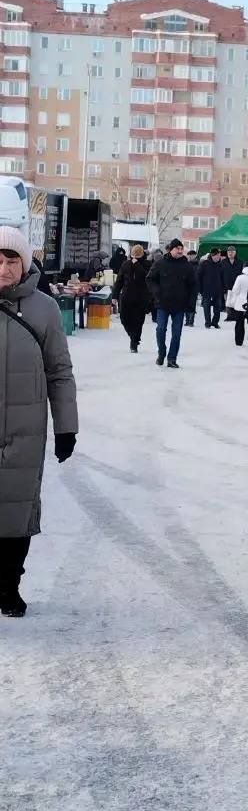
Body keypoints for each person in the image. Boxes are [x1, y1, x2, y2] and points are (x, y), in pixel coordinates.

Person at [0, 227, 78, 617]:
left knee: (17, 512)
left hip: (25, 430)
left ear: (24, 264)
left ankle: (9, 585)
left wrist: (67, 426)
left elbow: (59, 371)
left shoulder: (44, 308)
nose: (3, 267)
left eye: (11, 259)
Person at [146, 239, 197, 368]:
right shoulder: (160, 263)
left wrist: (191, 304)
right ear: (171, 249)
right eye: (177, 249)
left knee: (177, 332)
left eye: (181, 248)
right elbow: (150, 279)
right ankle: (161, 352)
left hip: (180, 305)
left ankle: (172, 358)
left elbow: (193, 286)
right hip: (163, 303)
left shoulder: (187, 266)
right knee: (160, 329)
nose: (180, 251)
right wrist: (157, 292)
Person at [113, 245, 151, 353]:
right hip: (126, 297)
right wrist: (114, 296)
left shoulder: (147, 264)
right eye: (133, 255)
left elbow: (146, 277)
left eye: (137, 255)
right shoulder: (125, 264)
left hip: (141, 298)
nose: (135, 257)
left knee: (138, 321)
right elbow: (119, 281)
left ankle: (134, 343)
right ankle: (133, 336)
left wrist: (137, 265)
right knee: (124, 318)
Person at [228, 262, 248, 347]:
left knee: (239, 323)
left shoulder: (240, 277)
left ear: (244, 268)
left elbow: (235, 290)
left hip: (240, 304)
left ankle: (239, 341)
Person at [198, 248, 226, 329]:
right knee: (206, 307)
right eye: (217, 255)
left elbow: (223, 277)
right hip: (206, 290)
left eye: (219, 255)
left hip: (218, 290)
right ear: (212, 255)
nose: (218, 257)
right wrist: (200, 289)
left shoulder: (220, 265)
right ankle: (208, 322)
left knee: (218, 307)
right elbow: (198, 276)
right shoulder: (205, 264)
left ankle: (215, 322)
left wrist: (224, 288)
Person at [221, 246, 243, 321]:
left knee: (236, 301)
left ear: (235, 253)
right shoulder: (223, 262)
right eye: (229, 252)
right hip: (226, 285)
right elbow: (221, 274)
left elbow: (242, 274)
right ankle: (229, 316)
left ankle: (236, 316)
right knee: (227, 301)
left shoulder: (240, 262)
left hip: (236, 285)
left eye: (232, 252)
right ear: (227, 253)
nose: (230, 253)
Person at [185, 250, 200, 326]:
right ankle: (187, 320)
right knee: (186, 303)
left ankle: (191, 321)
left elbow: (199, 277)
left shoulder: (198, 265)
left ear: (194, 256)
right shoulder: (186, 264)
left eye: (191, 256)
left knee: (192, 304)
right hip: (186, 287)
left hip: (194, 287)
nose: (189, 257)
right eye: (189, 256)